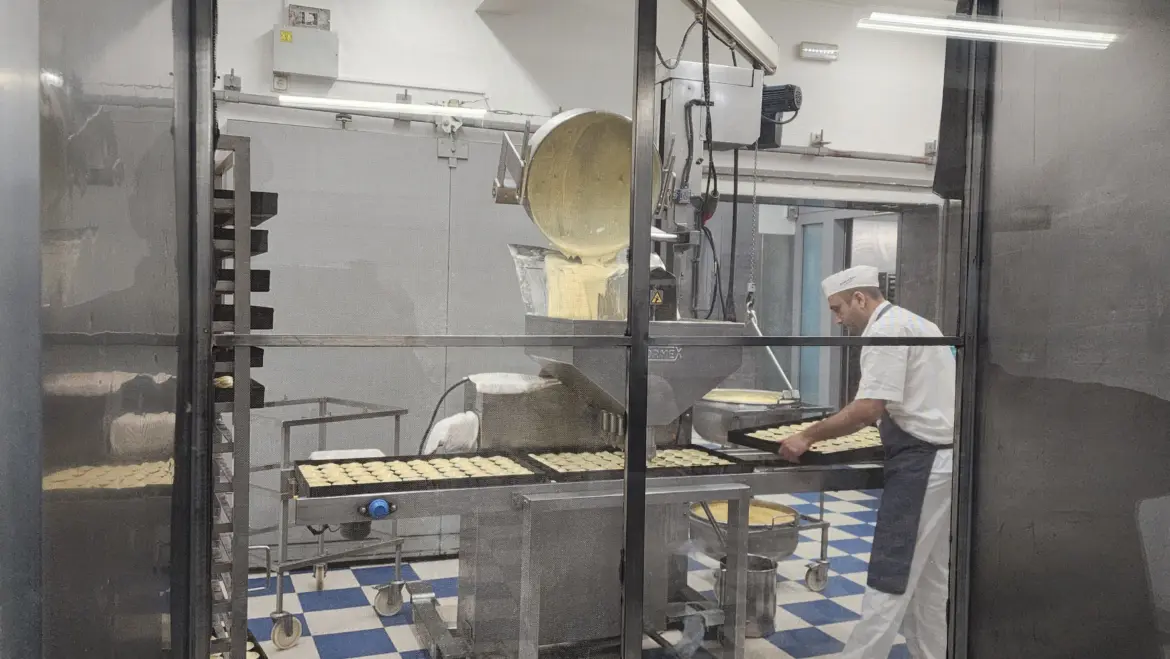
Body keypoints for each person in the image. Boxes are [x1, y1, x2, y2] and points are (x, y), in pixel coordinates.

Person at [778, 265, 954, 659]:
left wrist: (807, 435)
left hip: (922, 462)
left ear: (861, 298)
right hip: (943, 458)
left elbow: (868, 408)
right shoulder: (918, 323)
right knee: (928, 579)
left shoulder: (884, 332)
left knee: (891, 572)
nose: (838, 319)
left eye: (838, 308)